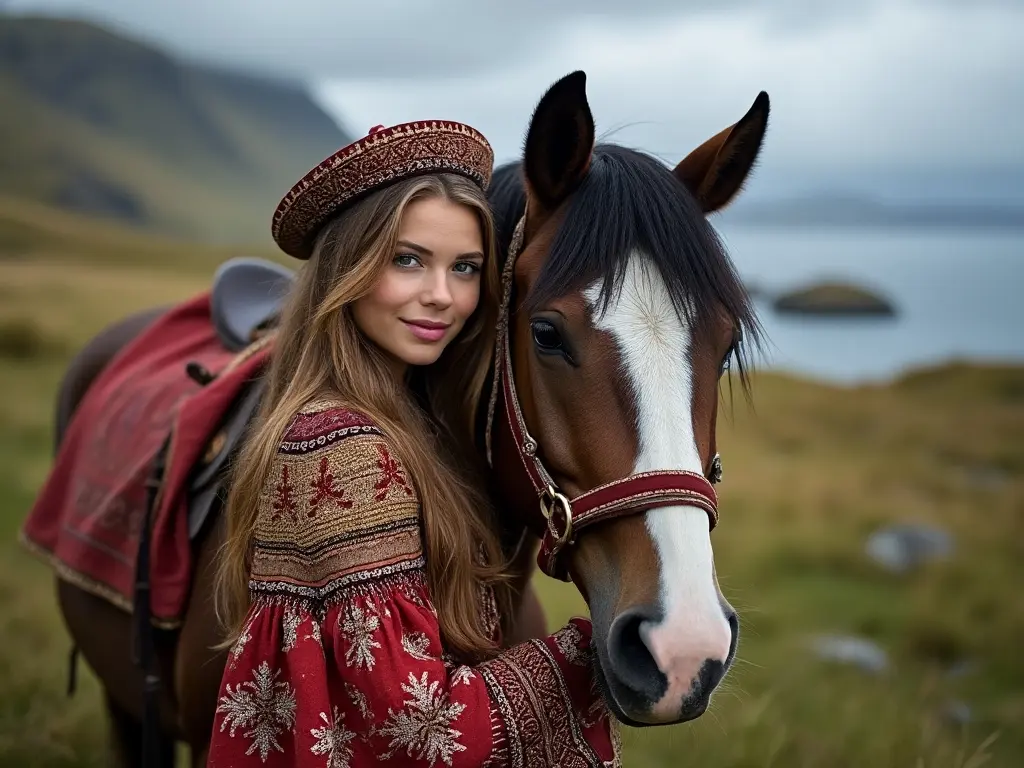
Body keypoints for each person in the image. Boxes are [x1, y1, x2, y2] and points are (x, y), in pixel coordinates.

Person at [208, 121, 619, 767]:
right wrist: (595, 656)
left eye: (465, 268)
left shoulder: (410, 418)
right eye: (407, 260)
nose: (441, 297)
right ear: (348, 268)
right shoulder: (340, 447)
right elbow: (422, 728)